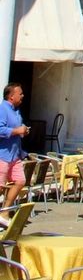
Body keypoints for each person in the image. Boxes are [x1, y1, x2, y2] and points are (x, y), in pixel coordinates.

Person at [0, 83, 29, 218]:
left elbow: (18, 127)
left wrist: (24, 130)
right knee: (0, 186)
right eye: (20, 93)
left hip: (15, 154)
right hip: (3, 154)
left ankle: (5, 211)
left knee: (20, 181)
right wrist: (17, 130)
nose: (23, 96)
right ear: (11, 96)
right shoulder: (3, 109)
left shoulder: (16, 111)